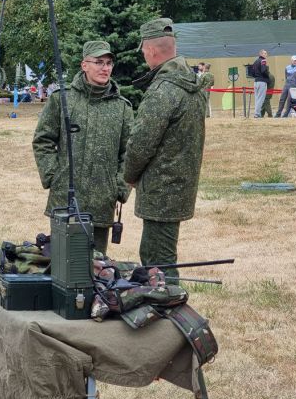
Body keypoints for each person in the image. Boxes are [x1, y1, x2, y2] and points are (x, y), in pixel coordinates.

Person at [124, 18, 206, 282]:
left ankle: (166, 315)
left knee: (157, 265)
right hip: (179, 186)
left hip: (161, 191)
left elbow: (140, 143)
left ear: (150, 50)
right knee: (163, 258)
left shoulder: (163, 90)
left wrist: (129, 175)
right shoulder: (190, 85)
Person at [32, 40, 134, 254]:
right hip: (65, 200)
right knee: (62, 266)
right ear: (84, 65)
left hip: (102, 201)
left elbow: (129, 152)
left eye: (109, 63)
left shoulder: (122, 108)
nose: (105, 68)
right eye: (99, 62)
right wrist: (53, 175)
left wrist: (120, 187)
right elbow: (43, 140)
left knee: (96, 269)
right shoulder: (63, 99)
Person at [252, 49, 270, 118]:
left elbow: (252, 73)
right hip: (262, 82)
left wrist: (257, 76)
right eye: (265, 53)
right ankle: (256, 114)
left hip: (256, 81)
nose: (266, 55)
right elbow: (263, 70)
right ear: (261, 54)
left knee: (257, 98)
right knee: (261, 99)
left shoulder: (255, 61)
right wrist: (267, 76)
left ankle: (258, 114)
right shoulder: (263, 60)